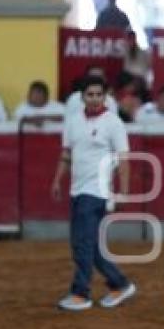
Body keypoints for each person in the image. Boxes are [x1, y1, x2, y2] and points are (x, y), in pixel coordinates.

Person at [50, 75, 136, 311]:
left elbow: (124, 160)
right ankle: (120, 284)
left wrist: (123, 193)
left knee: (83, 244)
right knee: (89, 245)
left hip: (98, 191)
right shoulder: (73, 122)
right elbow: (66, 155)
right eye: (91, 94)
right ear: (82, 97)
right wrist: (58, 179)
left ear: (106, 96)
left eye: (99, 94)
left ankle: (81, 293)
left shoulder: (113, 122)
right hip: (77, 190)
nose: (95, 99)